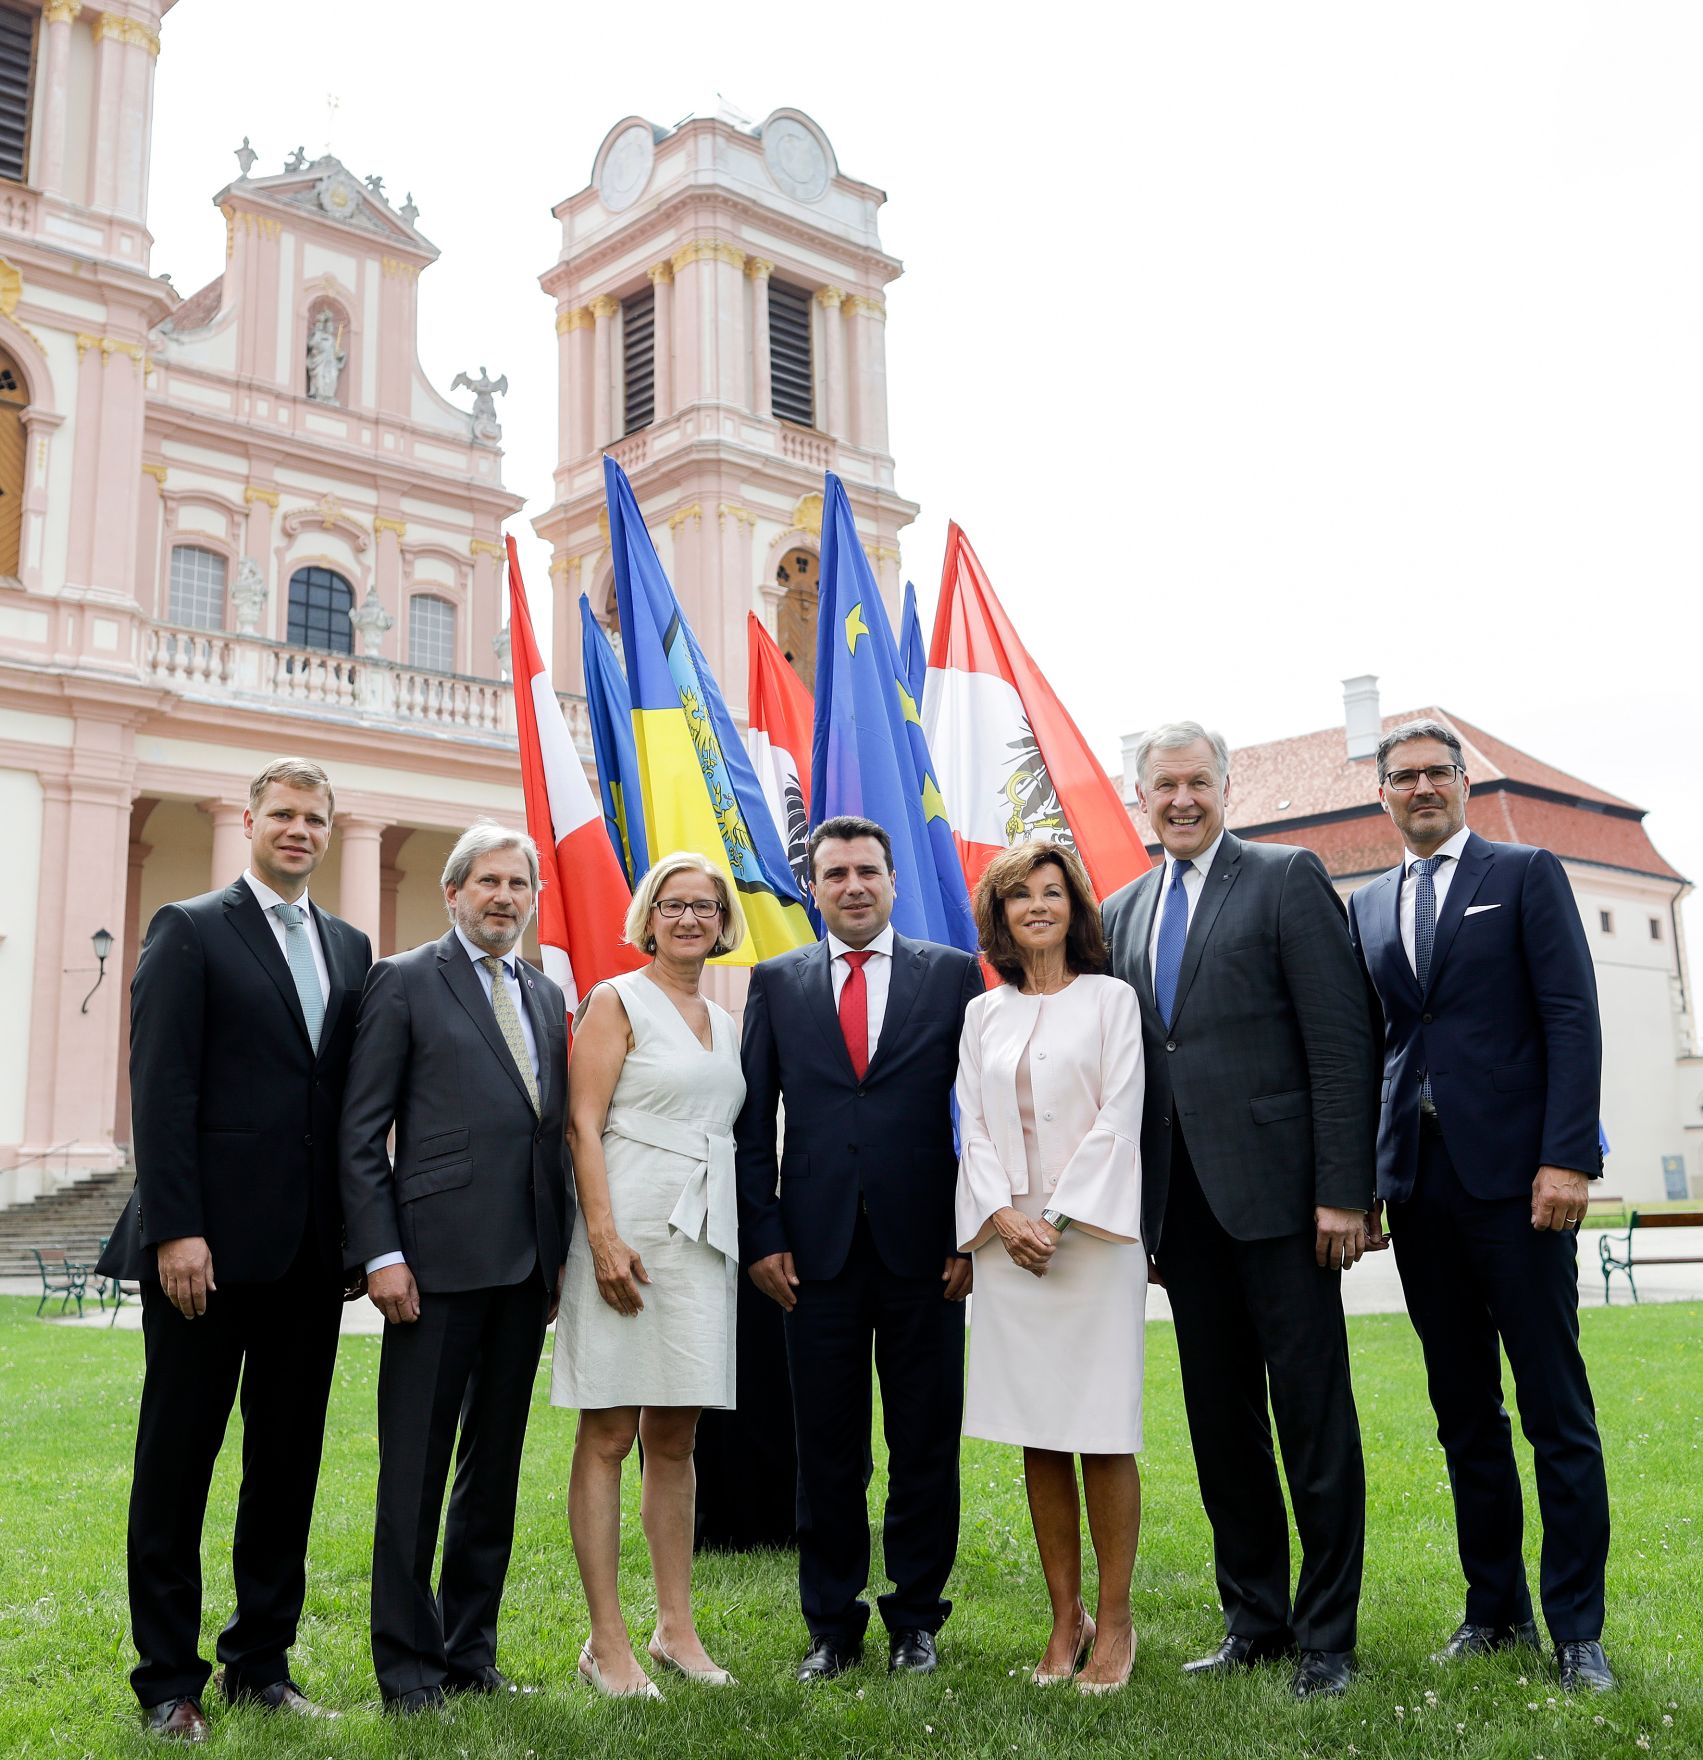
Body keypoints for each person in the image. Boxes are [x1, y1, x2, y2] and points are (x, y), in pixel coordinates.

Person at [96, 757, 372, 1741]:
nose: (299, 828)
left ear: (331, 831)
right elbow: (160, 1086)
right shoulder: (191, 927)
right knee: (177, 1465)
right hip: (200, 1252)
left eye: (316, 817)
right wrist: (175, 1224)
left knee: (284, 1466)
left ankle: (261, 1659)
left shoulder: (349, 945)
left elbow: (340, 1105)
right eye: (284, 813)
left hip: (308, 1257)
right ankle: (168, 1679)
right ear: (250, 819)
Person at [1102, 722, 1378, 1700]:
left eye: (1195, 782)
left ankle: (1327, 1634)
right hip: (1180, 1214)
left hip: (1282, 1203)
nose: (1180, 799)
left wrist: (1344, 1188)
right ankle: (1252, 1617)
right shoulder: (1120, 909)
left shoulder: (1283, 878)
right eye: (1161, 785)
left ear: (1226, 788)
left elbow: (1341, 1039)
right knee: (1220, 1428)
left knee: (1312, 1422)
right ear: (1141, 798)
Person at [1346, 720, 1614, 1693]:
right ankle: (1491, 1607)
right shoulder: (1368, 903)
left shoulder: (1523, 869)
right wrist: (1368, 1177)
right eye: (1401, 775)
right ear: (1380, 794)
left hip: (1519, 1185)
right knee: (1462, 1413)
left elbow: (1568, 1015)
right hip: (1419, 1189)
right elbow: (1376, 1042)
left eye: (1433, 771)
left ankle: (1575, 1627)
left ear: (1461, 783)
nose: (1419, 786)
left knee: (1553, 1408)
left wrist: (1565, 1157)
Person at [736, 815, 984, 1681]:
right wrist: (762, 1234)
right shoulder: (776, 982)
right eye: (835, 873)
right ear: (815, 886)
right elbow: (749, 1127)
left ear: (892, 882)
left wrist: (970, 1230)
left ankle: (916, 1620)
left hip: (929, 1252)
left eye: (867, 872)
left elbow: (979, 1116)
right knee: (828, 1450)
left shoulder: (952, 977)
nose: (852, 886)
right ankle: (830, 1626)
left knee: (925, 1444)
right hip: (812, 1257)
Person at [339, 823, 572, 1714]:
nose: (504, 897)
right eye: (487, 882)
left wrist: (556, 1259)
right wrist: (382, 1254)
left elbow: (544, 1132)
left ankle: (471, 1651)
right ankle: (406, 1669)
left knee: (493, 1471)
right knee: (414, 1472)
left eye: (518, 884)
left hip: (524, 1271)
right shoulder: (402, 981)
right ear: (453, 892)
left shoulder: (547, 996)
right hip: (428, 1270)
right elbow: (363, 1133)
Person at [552, 851, 749, 1698]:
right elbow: (581, 1125)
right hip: (627, 1226)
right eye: (674, 905)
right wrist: (601, 1233)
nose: (689, 919)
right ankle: (608, 1643)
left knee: (676, 1437)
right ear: (649, 915)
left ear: (722, 921)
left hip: (703, 1237)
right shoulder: (615, 999)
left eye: (705, 906)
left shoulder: (727, 1023)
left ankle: (677, 1629)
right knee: (609, 1434)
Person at [954, 842, 1146, 1695]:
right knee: (1037, 1430)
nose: (1037, 905)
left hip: (1090, 1239)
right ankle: (1062, 1619)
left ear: (1075, 908)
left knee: (1100, 1429)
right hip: (1008, 1243)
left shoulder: (1111, 1001)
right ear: (999, 915)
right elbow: (974, 1127)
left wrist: (1055, 1217)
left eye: (1052, 892)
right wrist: (1002, 1216)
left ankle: (1117, 1620)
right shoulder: (981, 1016)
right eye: (1020, 895)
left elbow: (1119, 1116)